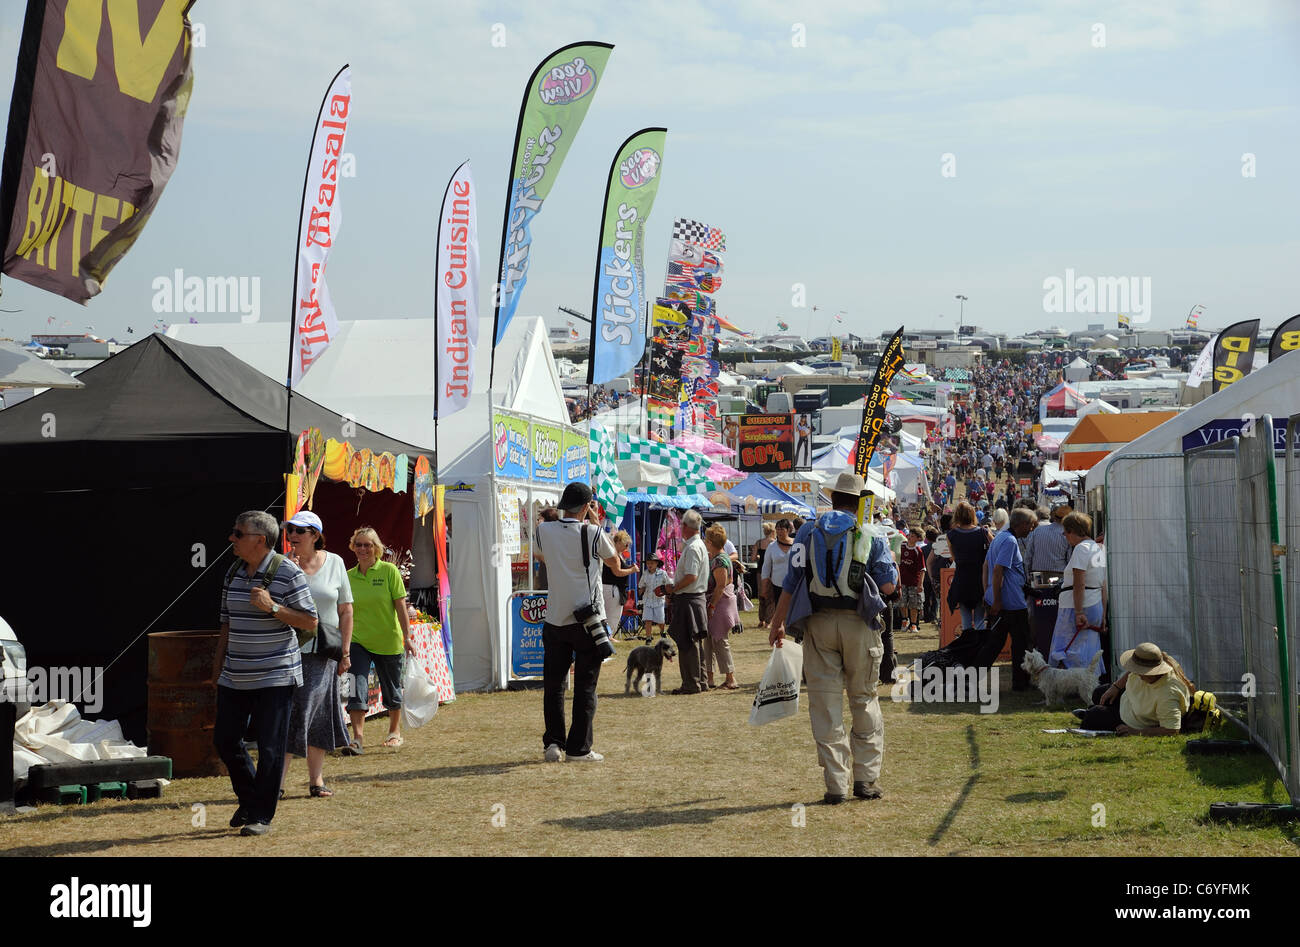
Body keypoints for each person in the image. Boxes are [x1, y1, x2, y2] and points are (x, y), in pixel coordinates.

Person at [769, 472, 897, 805]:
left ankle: (836, 785)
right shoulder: (870, 533)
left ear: (832, 498)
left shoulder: (808, 532)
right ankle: (866, 780)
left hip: (818, 624)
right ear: (858, 502)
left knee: (825, 706)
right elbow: (887, 587)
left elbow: (791, 582)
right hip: (859, 625)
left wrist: (777, 622)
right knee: (864, 700)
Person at [213, 510, 318, 836]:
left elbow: (311, 623)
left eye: (237, 533)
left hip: (275, 675)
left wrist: (272, 607)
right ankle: (249, 799)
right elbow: (226, 623)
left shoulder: (287, 572)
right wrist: (218, 665)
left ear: (260, 540)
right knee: (226, 741)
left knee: (271, 747)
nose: (231, 538)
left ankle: (260, 817)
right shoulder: (232, 572)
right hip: (235, 674)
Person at [536, 482, 625, 761]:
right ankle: (578, 748)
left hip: (555, 618)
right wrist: (595, 523)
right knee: (586, 686)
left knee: (554, 686)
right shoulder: (593, 532)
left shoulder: (543, 530)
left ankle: (553, 743)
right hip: (587, 618)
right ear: (587, 507)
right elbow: (615, 562)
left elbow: (542, 557)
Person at [280, 511, 352, 798]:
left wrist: (345, 653)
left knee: (320, 715)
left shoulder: (335, 562)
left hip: (324, 653)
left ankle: (316, 780)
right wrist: (290, 571)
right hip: (287, 651)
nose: (293, 535)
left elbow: (345, 609)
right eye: (290, 530)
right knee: (291, 714)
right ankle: (277, 783)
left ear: (315, 535)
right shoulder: (282, 565)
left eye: (300, 530)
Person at [345, 527, 414, 752]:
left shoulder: (389, 571)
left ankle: (394, 732)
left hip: (388, 640)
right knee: (356, 687)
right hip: (358, 641)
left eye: (368, 545)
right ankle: (357, 739)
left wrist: (407, 636)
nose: (363, 549)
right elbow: (344, 610)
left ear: (377, 548)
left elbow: (400, 606)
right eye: (359, 544)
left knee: (392, 689)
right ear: (353, 547)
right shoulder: (348, 576)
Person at [977, 507, 1036, 691]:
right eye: (1031, 526)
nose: (1031, 530)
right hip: (1011, 603)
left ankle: (971, 677)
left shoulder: (1000, 537)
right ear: (1023, 524)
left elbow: (986, 566)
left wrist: (988, 593)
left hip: (1004, 600)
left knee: (993, 644)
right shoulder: (1009, 541)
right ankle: (1021, 682)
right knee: (1020, 644)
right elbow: (997, 570)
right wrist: (996, 599)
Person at [1076, 643, 1192, 735]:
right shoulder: (1149, 667)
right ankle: (1095, 710)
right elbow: (1132, 671)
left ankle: (1091, 712)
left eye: (1140, 670)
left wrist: (1135, 732)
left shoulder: (1168, 693)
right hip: (1130, 699)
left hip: (1135, 719)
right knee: (1098, 693)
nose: (1137, 673)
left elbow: (1171, 730)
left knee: (1093, 716)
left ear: (1153, 671)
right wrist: (1115, 687)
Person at [1049, 512, 1108, 675]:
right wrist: (1103, 613)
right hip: (1094, 603)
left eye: (1065, 532)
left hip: (1076, 606)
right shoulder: (1097, 548)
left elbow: (1079, 582)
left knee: (1066, 648)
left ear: (1072, 531)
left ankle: (1064, 686)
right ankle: (1088, 686)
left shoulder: (1081, 549)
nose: (1065, 537)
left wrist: (1078, 611)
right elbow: (1103, 584)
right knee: (1088, 648)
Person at [667, 509, 710, 694]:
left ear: (685, 526)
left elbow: (691, 576)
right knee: (695, 642)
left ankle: (691, 683)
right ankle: (701, 681)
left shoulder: (693, 547)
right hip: (695, 598)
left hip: (689, 598)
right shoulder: (697, 545)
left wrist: (673, 588)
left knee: (687, 643)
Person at [703, 525, 740, 690]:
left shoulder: (720, 560)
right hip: (716, 602)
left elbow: (720, 586)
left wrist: (711, 606)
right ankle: (709, 678)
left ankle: (731, 678)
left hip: (720, 603)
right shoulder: (717, 557)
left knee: (720, 640)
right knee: (709, 641)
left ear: (710, 542)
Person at [947, 501, 990, 630]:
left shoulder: (951, 535)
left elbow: (954, 557)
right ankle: (980, 649)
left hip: (962, 579)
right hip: (979, 579)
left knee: (965, 622)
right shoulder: (983, 532)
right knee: (980, 620)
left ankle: (968, 647)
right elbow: (994, 548)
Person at [601, 530, 639, 639]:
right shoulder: (614, 555)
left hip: (609, 588)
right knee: (612, 617)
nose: (627, 547)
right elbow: (617, 572)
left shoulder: (614, 553)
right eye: (626, 544)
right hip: (612, 589)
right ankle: (607, 639)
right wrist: (632, 570)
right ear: (619, 542)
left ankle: (608, 637)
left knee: (608, 616)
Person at [897, 527, 925, 633]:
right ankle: (905, 620)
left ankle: (913, 624)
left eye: (913, 536)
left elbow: (922, 569)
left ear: (918, 538)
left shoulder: (918, 551)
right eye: (909, 535)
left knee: (914, 604)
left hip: (914, 582)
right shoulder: (902, 546)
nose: (909, 537)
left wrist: (920, 584)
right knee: (901, 602)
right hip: (902, 580)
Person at [638, 554, 669, 639]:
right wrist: (641, 590)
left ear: (656, 563)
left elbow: (668, 584)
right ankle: (648, 637)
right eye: (648, 563)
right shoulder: (645, 574)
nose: (649, 565)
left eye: (651, 563)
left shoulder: (662, 573)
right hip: (648, 600)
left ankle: (662, 631)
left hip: (658, 600)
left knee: (660, 620)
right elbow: (641, 584)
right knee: (648, 620)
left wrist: (666, 592)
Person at [754, 522, 776, 628]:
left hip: (760, 571)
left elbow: (753, 558)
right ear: (773, 531)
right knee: (770, 597)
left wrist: (759, 556)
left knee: (761, 596)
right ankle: (768, 621)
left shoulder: (758, 543)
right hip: (772, 572)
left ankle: (761, 620)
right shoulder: (774, 543)